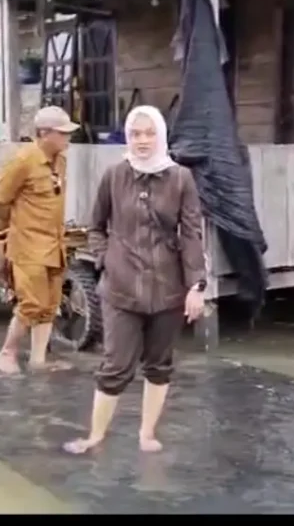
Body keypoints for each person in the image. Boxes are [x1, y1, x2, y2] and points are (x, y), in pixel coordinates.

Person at [64, 105, 206, 454]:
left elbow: (191, 234)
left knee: (159, 364)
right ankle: (96, 435)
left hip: (168, 289)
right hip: (120, 288)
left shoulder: (180, 178)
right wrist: (105, 258)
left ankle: (146, 434)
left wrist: (197, 286)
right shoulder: (115, 175)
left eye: (149, 133)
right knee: (116, 364)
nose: (142, 140)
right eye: (136, 134)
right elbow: (95, 226)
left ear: (161, 135)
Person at [0, 106, 75, 375]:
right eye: (62, 134)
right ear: (44, 134)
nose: (67, 139)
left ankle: (38, 359)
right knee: (31, 303)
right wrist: (16, 222)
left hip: (55, 244)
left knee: (49, 305)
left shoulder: (60, 161)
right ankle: (7, 351)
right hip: (28, 245)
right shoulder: (23, 161)